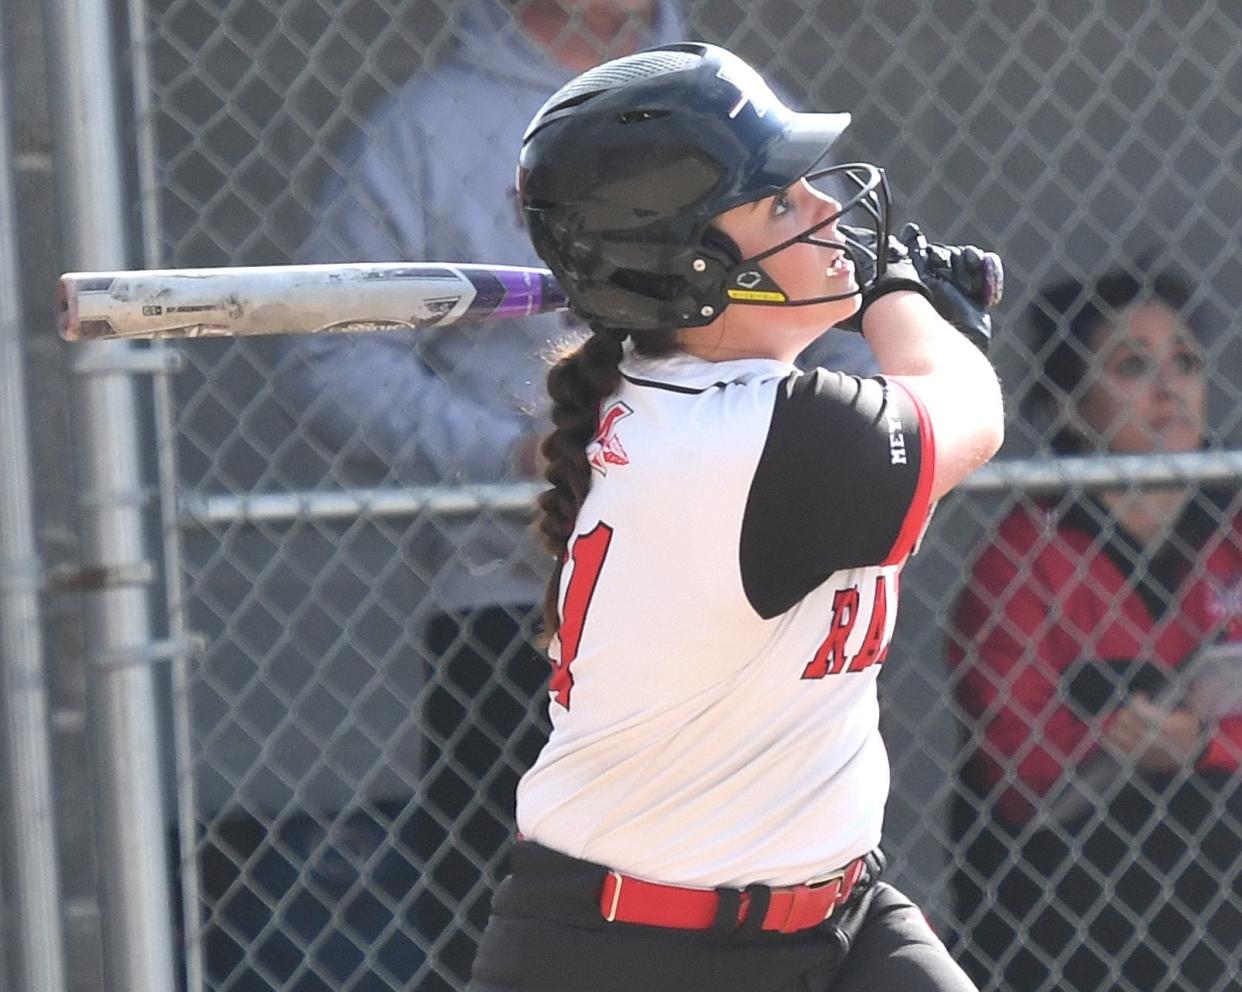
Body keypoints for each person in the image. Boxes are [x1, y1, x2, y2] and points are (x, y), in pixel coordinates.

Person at [465, 42, 1005, 992]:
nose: (829, 213)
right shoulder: (749, 443)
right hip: (631, 955)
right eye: (782, 204)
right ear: (699, 271)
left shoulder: (700, 402)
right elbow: (969, 412)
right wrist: (903, 294)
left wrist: (902, 303)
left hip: (842, 916)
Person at [274, 2, 688, 987]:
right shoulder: (435, 124)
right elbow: (328, 350)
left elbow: (826, 311)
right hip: (515, 603)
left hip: (720, 592)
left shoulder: (726, 103)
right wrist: (511, 454)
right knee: (521, 938)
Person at [948, 262, 1242, 992]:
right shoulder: (1025, 553)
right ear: (1072, 406)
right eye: (1131, 367)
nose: (1169, 389)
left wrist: (1206, 745)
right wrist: (1110, 741)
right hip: (1078, 903)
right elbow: (1015, 767)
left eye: (1184, 362)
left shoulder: (1231, 526)